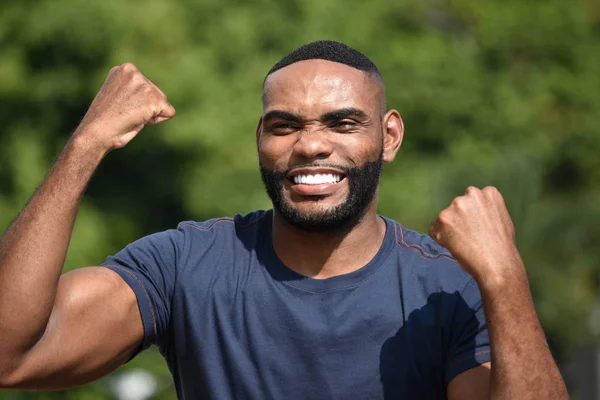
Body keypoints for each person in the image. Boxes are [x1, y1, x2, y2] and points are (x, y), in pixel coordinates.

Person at [0, 40, 568, 399]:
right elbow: (11, 357)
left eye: (343, 124)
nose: (311, 145)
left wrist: (505, 280)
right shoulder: (184, 265)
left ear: (388, 136)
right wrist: (85, 146)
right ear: (261, 139)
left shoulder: (445, 289)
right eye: (284, 125)